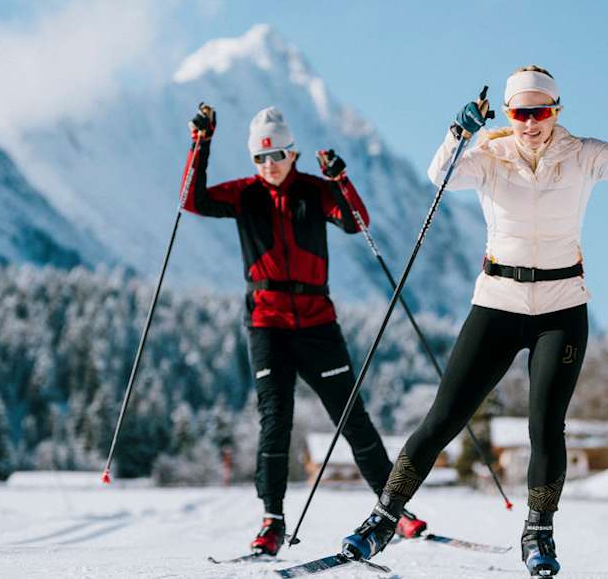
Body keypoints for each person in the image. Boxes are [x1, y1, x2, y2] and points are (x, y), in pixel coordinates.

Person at [339, 47, 608, 576]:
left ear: (556, 110)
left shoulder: (581, 154)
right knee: (445, 416)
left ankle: (538, 533)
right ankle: (383, 518)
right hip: (497, 302)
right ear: (508, 114)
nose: (531, 123)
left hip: (562, 307)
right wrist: (459, 130)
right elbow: (439, 174)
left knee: (546, 425)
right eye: (520, 112)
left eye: (540, 111)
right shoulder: (489, 157)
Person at [180, 105, 429, 556]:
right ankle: (272, 519)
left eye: (276, 155)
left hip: (317, 322)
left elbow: (356, 222)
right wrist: (202, 144)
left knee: (352, 418)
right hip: (266, 323)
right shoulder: (244, 195)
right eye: (260, 158)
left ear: (293, 153)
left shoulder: (315, 191)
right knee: (275, 422)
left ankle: (395, 510)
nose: (269, 165)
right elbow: (191, 201)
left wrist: (339, 179)